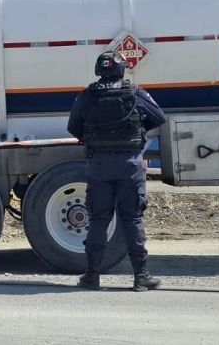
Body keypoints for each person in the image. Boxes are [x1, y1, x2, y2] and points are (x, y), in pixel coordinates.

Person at [67, 51, 167, 292]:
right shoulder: (135, 93)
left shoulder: (87, 94)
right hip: (129, 164)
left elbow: (73, 127)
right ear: (121, 69)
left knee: (99, 219)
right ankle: (141, 277)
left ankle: (92, 276)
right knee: (132, 218)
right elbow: (159, 117)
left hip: (98, 165)